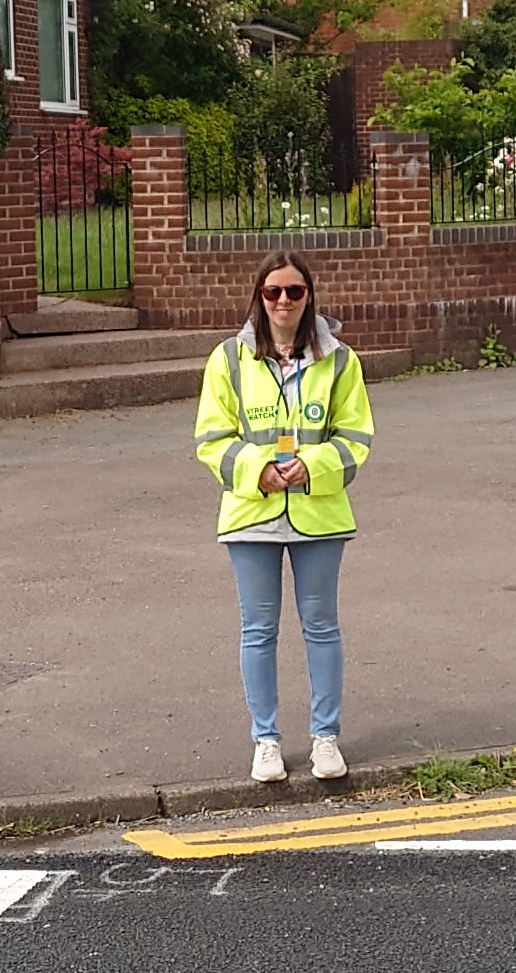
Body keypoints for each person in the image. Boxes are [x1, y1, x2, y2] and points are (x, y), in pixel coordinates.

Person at [194, 250, 374, 783]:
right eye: (273, 291)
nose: (283, 301)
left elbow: (356, 435)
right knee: (258, 630)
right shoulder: (228, 359)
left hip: (319, 514)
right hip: (252, 513)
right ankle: (266, 742)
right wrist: (258, 471)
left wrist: (312, 465)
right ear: (260, 296)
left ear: (308, 296)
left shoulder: (340, 360)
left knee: (321, 626)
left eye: (294, 291)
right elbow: (211, 437)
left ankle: (325, 739)